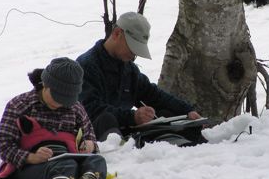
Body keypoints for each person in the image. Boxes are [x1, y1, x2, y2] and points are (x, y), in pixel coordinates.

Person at [0, 57, 107, 179]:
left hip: (70, 161)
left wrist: (90, 145)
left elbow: (89, 135)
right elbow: (4, 145)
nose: (60, 103)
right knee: (65, 166)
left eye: (66, 100)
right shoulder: (20, 105)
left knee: (97, 161)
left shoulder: (75, 108)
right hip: (31, 170)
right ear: (45, 84)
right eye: (56, 96)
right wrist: (31, 157)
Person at [76, 11, 202, 142]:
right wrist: (133, 117)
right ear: (117, 34)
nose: (134, 55)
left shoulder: (128, 69)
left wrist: (187, 111)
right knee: (106, 120)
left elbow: (154, 95)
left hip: (125, 131)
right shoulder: (86, 66)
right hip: (94, 138)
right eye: (132, 48)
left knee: (167, 114)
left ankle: (196, 148)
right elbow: (89, 110)